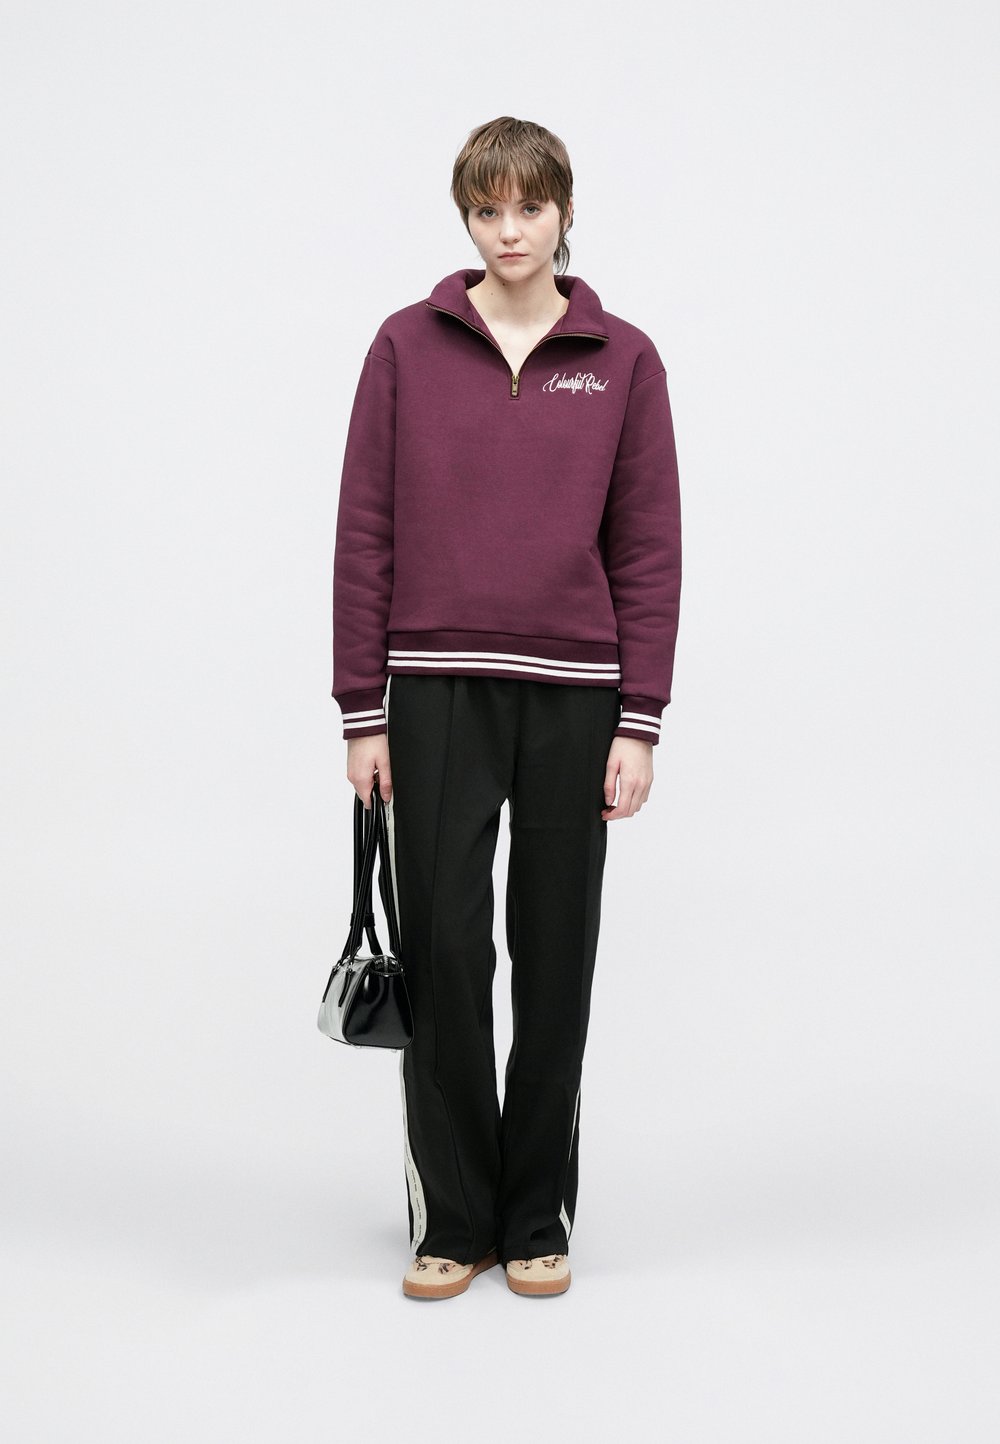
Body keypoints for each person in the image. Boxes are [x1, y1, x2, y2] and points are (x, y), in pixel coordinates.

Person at [330, 115, 682, 1299]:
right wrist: (361, 710)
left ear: (563, 211)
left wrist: (639, 720)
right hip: (432, 691)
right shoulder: (404, 346)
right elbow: (364, 531)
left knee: (554, 952)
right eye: (488, 210)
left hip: (576, 699)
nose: (509, 229)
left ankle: (535, 1213)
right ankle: (454, 1215)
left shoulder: (623, 359)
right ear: (466, 218)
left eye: (529, 207)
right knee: (441, 949)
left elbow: (647, 546)